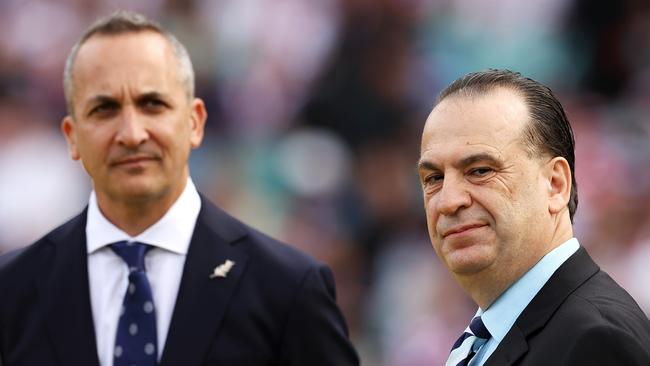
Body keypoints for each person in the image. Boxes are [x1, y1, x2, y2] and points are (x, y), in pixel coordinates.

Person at [0, 11, 359, 366]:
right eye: (105, 109)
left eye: (152, 105)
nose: (132, 133)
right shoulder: (12, 290)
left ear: (195, 123)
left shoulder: (286, 289)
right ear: (72, 136)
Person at [418, 69, 650, 365]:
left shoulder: (595, 341)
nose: (448, 201)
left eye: (480, 170)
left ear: (555, 185)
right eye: (433, 178)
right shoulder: (490, 337)